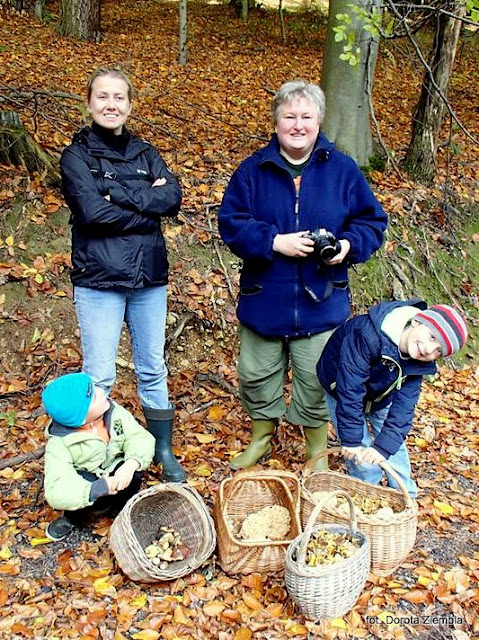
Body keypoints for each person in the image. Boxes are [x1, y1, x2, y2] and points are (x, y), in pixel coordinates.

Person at [218, 80, 387, 470]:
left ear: (319, 121)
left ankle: (316, 450)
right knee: (256, 374)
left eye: (306, 117)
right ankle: (261, 438)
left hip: (322, 300)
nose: (298, 125)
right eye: (289, 116)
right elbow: (231, 223)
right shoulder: (252, 171)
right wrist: (275, 242)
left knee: (317, 377)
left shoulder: (342, 170)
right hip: (265, 297)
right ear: (276, 121)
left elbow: (372, 223)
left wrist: (346, 247)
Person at [61, 67, 185, 482]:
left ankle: (161, 449)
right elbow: (92, 213)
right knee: (100, 374)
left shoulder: (146, 151)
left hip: (149, 278)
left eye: (119, 98)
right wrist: (145, 204)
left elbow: (171, 198)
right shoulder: (76, 156)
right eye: (103, 97)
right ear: (89, 102)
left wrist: (123, 194)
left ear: (130, 105)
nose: (111, 105)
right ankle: (99, 455)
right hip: (99, 280)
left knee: (152, 366)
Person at [317, 300, 468, 496]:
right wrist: (351, 440)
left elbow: (403, 410)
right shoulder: (367, 335)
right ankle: (367, 492)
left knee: (390, 445)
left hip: (382, 393)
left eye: (438, 351)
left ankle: (405, 495)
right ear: (416, 322)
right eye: (432, 337)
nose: (429, 350)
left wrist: (383, 448)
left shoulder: (417, 364)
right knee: (358, 447)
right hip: (341, 386)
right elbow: (350, 388)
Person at [42, 372, 155, 540]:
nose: (102, 392)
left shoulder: (113, 413)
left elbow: (139, 437)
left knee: (135, 470)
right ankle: (72, 518)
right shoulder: (60, 444)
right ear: (80, 419)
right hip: (90, 485)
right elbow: (57, 489)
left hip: (117, 471)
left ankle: (121, 509)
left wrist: (131, 464)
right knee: (82, 486)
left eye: (95, 388)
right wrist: (96, 488)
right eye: (94, 397)